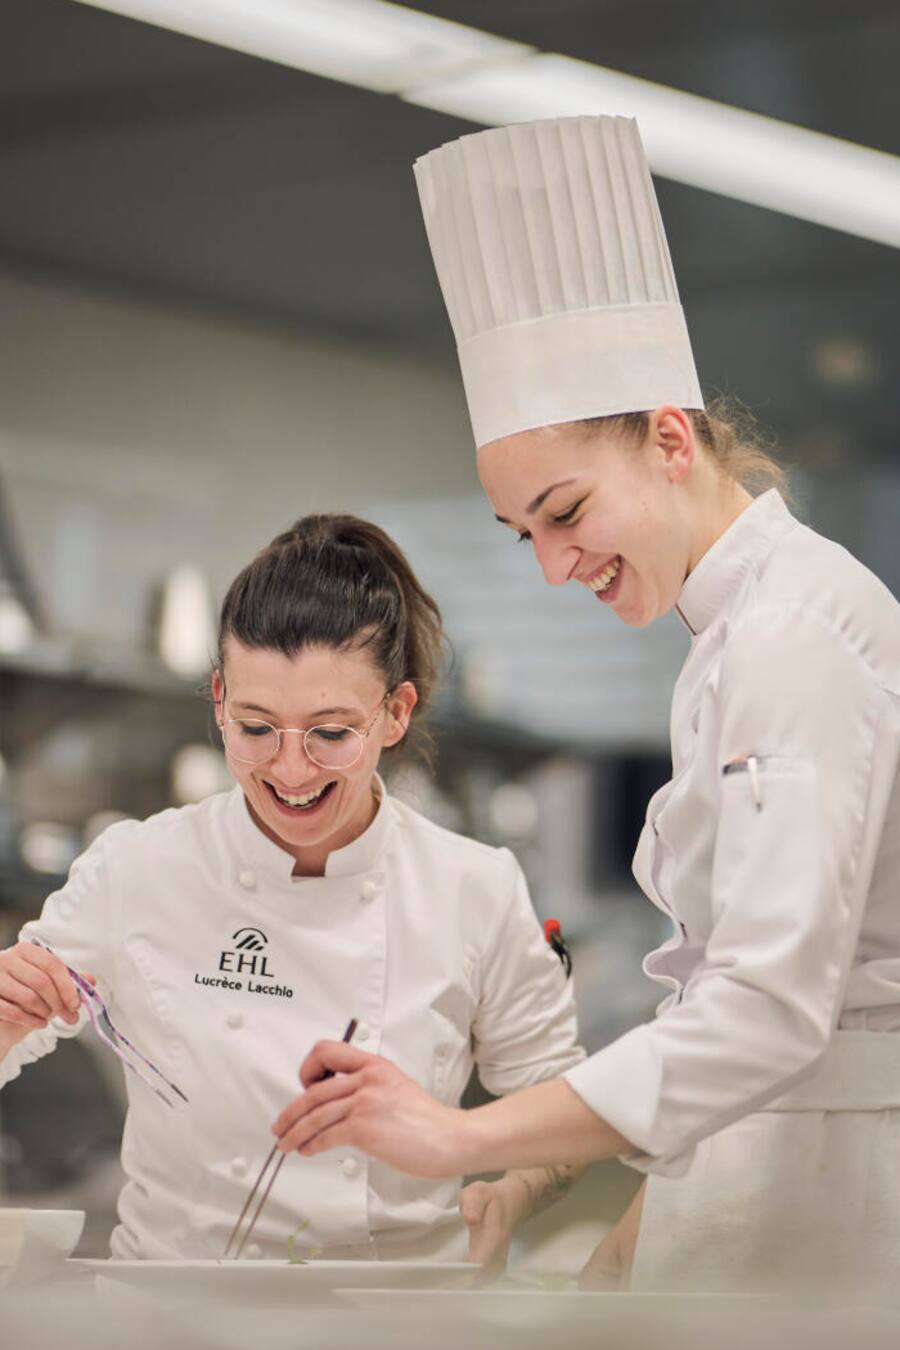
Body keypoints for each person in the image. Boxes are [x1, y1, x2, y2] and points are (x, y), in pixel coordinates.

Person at [272, 118, 900, 1296]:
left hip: (839, 1202)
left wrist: (465, 1137)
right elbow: (734, 1004)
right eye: (525, 536)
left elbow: (772, 1014)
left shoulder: (790, 636)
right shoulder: (734, 634)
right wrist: (556, 1178)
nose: (555, 565)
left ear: (671, 439)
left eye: (566, 512)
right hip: (775, 1170)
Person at [0, 513, 587, 1263]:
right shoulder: (136, 869)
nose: (291, 770)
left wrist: (511, 1192)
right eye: (254, 727)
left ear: (395, 713)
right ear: (217, 700)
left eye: (331, 733)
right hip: (174, 1319)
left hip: (391, 1316)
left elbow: (563, 1116)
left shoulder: (475, 888)